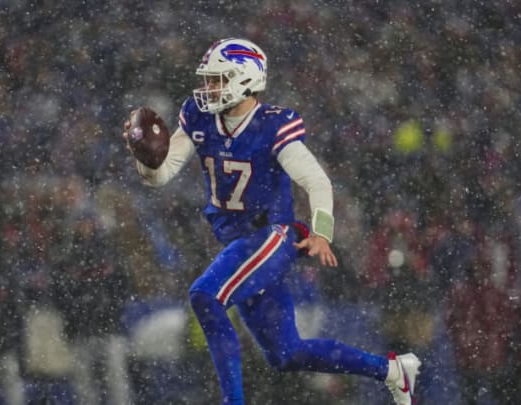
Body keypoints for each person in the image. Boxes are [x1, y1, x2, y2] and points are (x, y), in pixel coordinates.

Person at [122, 38, 421, 405]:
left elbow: (316, 181)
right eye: (209, 80)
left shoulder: (272, 124)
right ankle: (391, 370)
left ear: (244, 79)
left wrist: (322, 233)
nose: (208, 88)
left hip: (272, 236)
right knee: (286, 354)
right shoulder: (200, 118)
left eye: (217, 79)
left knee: (204, 295)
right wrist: (145, 160)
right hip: (241, 244)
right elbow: (162, 175)